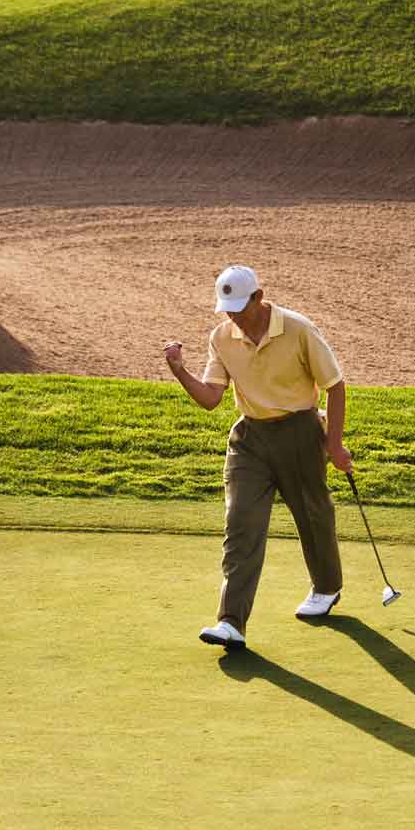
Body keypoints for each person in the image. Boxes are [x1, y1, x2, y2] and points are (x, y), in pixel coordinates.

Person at [163, 264, 351, 651]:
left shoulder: (299, 329)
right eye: (226, 308)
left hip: (299, 430)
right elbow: (212, 399)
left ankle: (327, 587)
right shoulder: (222, 336)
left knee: (312, 515)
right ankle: (231, 621)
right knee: (241, 522)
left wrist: (333, 444)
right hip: (250, 438)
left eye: (239, 307)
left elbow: (335, 386)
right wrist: (179, 370)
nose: (232, 315)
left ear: (259, 297)